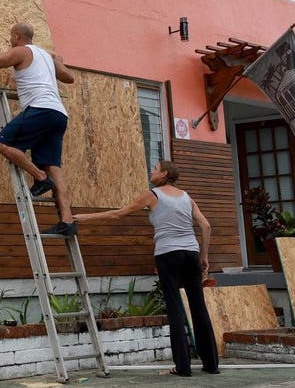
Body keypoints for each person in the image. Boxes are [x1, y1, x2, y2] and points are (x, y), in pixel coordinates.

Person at [72, 160, 220, 376]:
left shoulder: (154, 194)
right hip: (191, 253)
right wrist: (204, 257)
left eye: (155, 169)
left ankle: (183, 367)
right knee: (198, 307)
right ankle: (211, 365)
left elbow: (118, 214)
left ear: (164, 174)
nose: (151, 171)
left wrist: (84, 217)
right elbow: (206, 226)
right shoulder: (187, 197)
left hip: (168, 254)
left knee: (175, 308)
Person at [0, 22, 77, 236]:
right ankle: (67, 221)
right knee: (54, 167)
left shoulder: (21, 51)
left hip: (41, 109)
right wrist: (58, 61)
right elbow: (69, 78)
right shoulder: (45, 56)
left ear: (17, 35)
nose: (10, 39)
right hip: (58, 114)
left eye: (11, 36)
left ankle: (40, 178)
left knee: (2, 142)